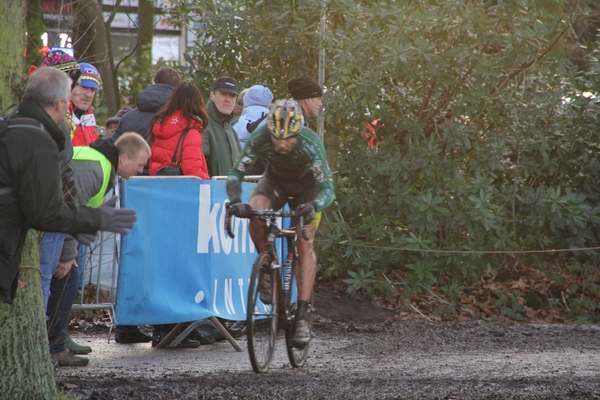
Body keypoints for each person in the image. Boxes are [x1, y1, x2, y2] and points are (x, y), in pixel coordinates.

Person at [0, 67, 138, 306]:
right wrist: (94, 218)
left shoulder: (10, 124)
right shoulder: (38, 141)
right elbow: (46, 211)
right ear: (61, 104)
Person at [226, 99, 335, 349]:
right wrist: (235, 201)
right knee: (255, 209)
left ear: (298, 133)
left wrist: (314, 206)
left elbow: (328, 190)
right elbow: (236, 174)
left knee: (304, 241)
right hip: (275, 181)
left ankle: (303, 316)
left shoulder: (310, 144)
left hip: (309, 188)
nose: (282, 143)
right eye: (277, 138)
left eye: (288, 138)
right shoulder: (261, 137)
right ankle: (266, 264)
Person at [48, 133, 151, 366]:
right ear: (124, 159)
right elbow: (70, 208)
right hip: (51, 226)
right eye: (140, 165)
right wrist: (67, 255)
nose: (142, 171)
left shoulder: (101, 165)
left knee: (68, 279)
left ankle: (56, 343)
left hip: (54, 226)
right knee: (65, 279)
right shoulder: (97, 169)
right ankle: (53, 347)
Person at [111, 66, 181, 339]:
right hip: (160, 194)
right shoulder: (173, 117)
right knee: (160, 259)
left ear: (153, 84)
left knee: (132, 256)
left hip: (130, 192)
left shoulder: (129, 116)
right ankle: (161, 328)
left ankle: (126, 325)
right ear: (175, 90)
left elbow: (113, 147)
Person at [148, 81, 209, 179]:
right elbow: (192, 172)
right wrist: (209, 182)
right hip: (181, 190)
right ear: (197, 103)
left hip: (158, 187)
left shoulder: (160, 125)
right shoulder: (191, 133)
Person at [112, 66, 181, 143]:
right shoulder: (183, 120)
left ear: (155, 82)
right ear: (177, 87)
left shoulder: (127, 118)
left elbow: (112, 148)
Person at [203, 76, 242, 177]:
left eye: (232, 96)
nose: (228, 99)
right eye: (223, 94)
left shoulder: (232, 132)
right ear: (212, 95)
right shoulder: (202, 125)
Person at [69, 62, 101, 146]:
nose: (89, 95)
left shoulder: (90, 120)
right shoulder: (61, 119)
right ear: (71, 86)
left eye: (92, 90)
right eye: (84, 87)